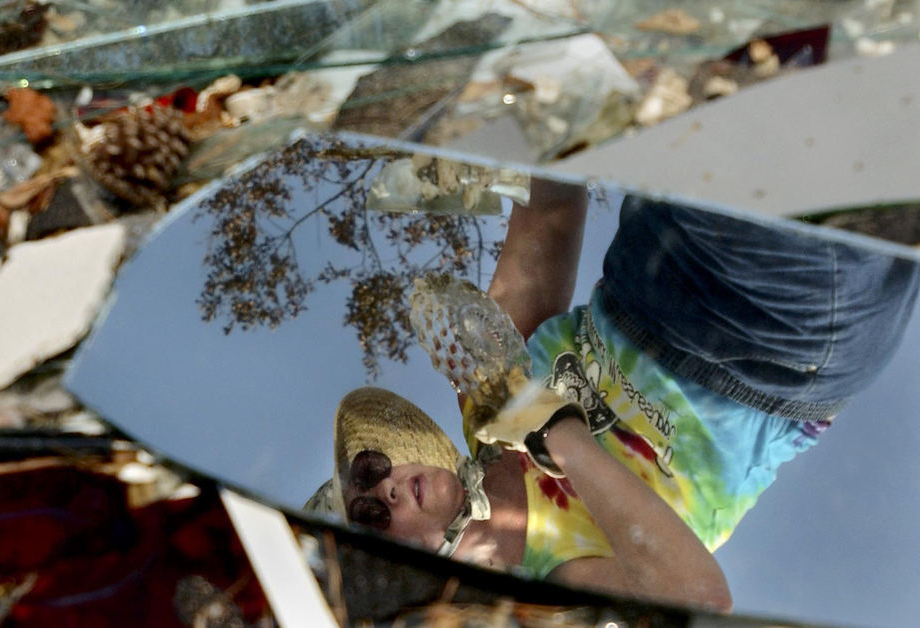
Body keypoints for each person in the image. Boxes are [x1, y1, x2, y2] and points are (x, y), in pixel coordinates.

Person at [310, 180, 920, 612]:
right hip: (762, 344)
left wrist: (531, 129)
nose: (384, 488)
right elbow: (701, 598)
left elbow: (549, 216)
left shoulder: (482, 404)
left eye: (370, 472)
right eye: (371, 516)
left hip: (648, 256)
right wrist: (553, 433)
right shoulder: (566, 578)